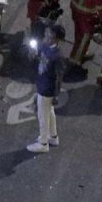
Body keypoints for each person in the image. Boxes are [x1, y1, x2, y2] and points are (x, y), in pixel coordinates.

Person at [27, 24, 65, 153]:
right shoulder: (45, 47)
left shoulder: (58, 56)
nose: (47, 35)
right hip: (42, 84)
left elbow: (58, 77)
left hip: (47, 89)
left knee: (42, 115)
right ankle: (53, 136)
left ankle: (43, 143)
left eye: (49, 33)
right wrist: (34, 55)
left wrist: (56, 94)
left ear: (55, 37)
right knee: (49, 113)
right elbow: (38, 58)